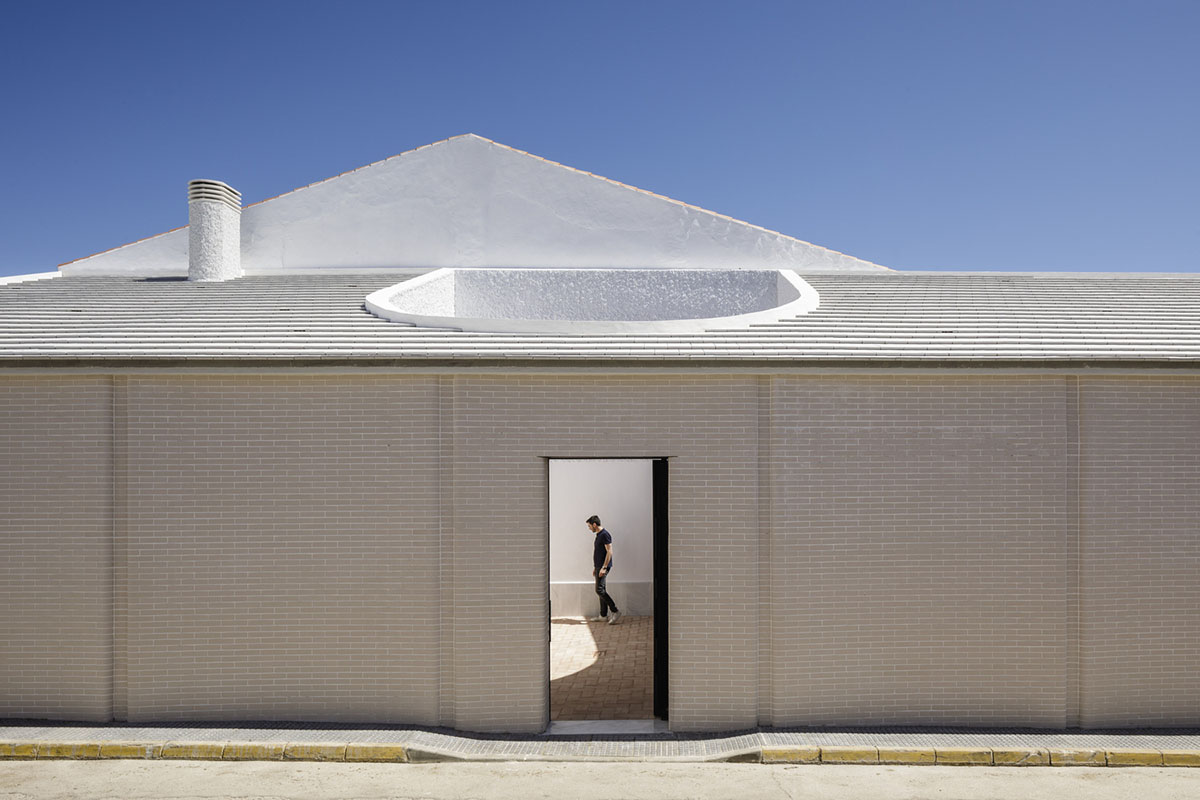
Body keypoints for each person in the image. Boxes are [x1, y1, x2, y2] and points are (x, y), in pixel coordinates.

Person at [586, 515, 621, 624]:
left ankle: (615, 611)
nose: (589, 528)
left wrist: (604, 567)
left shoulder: (605, 534)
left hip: (603, 567)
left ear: (594, 524)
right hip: (598, 566)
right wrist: (595, 567)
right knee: (602, 590)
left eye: (589, 526)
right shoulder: (598, 535)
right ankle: (603, 615)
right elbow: (599, 553)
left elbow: (609, 551)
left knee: (599, 590)